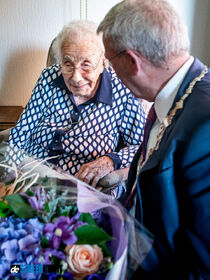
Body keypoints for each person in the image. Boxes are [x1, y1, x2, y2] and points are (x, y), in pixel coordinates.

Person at [98, 0, 210, 279]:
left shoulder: (205, 123)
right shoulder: (170, 95)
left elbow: (203, 262)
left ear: (132, 61)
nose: (111, 73)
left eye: (110, 62)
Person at [8, 20, 146, 195]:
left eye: (86, 64)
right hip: (33, 178)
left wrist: (110, 161)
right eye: (68, 64)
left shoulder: (122, 90)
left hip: (85, 189)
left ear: (103, 61)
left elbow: (142, 146)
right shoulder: (48, 78)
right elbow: (21, 132)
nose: (76, 77)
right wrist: (9, 176)